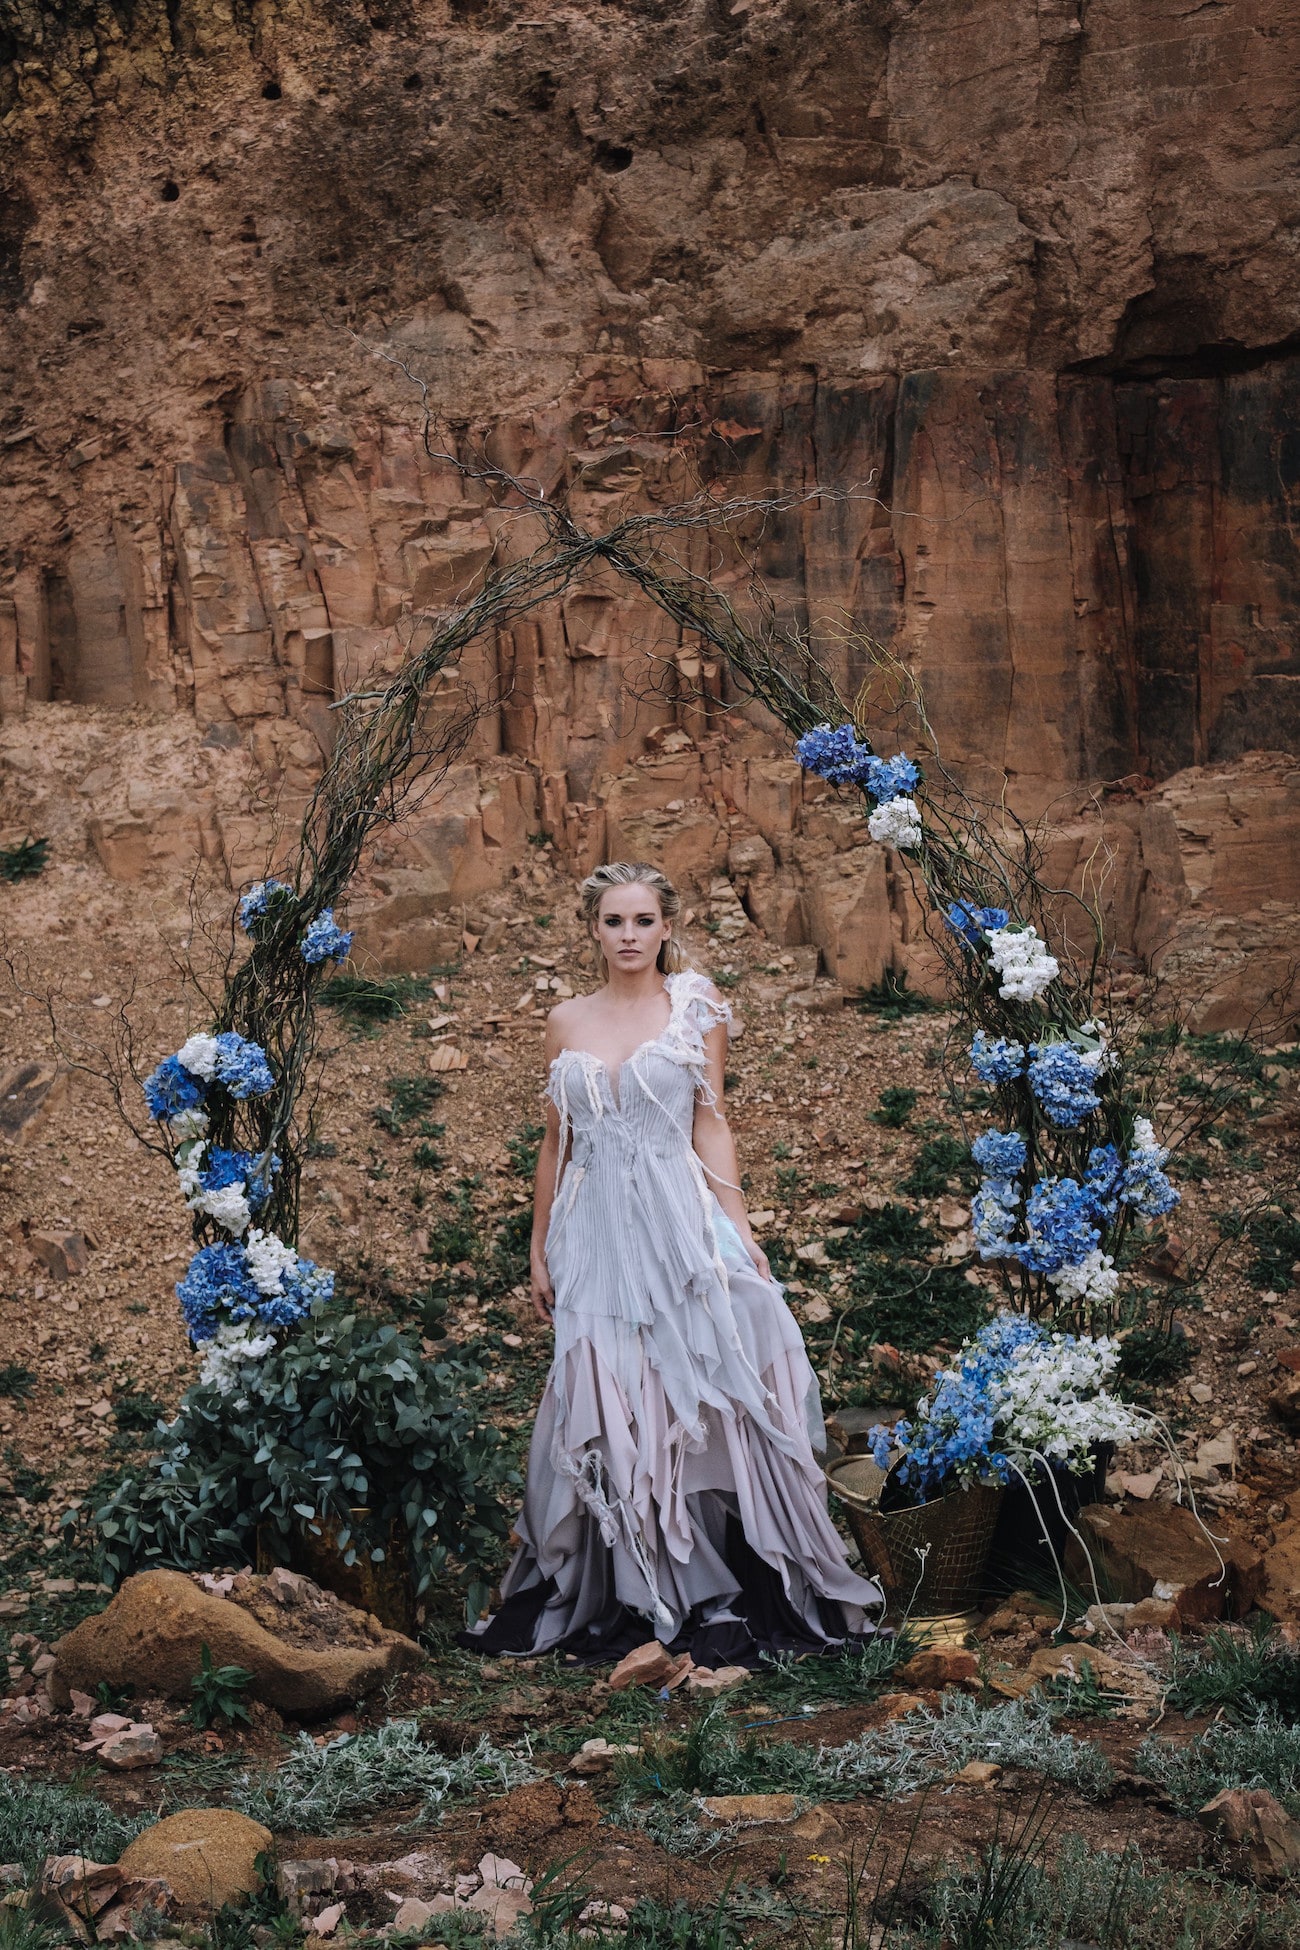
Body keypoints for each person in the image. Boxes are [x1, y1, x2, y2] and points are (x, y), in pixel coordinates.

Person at [461, 860, 882, 1666]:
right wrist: (539, 1244)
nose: (628, 936)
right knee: (612, 1394)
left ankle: (724, 1582)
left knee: (712, 1367)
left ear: (666, 926)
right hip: (593, 1233)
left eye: (643, 921)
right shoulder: (564, 1020)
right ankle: (643, 1585)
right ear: (593, 929)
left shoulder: (696, 1008)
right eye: (614, 922)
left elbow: (712, 1124)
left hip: (677, 1220)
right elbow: (557, 1143)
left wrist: (741, 1228)